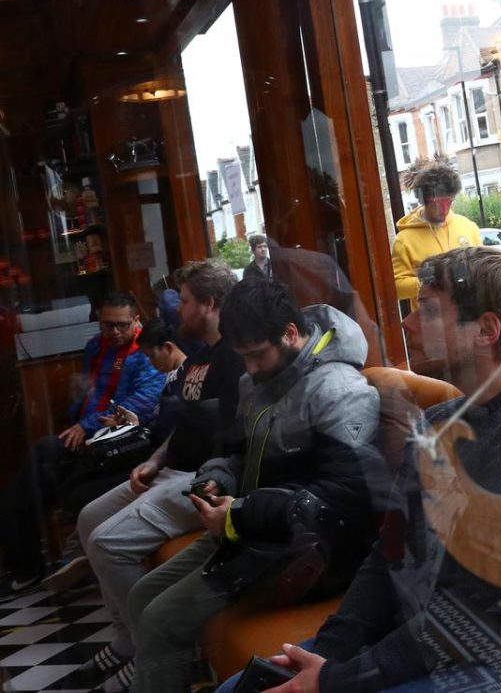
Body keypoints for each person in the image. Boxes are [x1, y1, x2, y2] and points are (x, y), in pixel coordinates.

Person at [215, 247, 501, 693]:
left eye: (427, 310)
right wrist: (331, 649)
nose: (408, 323)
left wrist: (333, 679)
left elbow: (469, 614)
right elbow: (390, 551)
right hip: (425, 638)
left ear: (486, 330)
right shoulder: (438, 420)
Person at [123, 278, 385, 693]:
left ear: (291, 333)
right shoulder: (256, 382)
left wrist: (240, 515)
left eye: (257, 355)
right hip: (253, 529)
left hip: (309, 552)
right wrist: (214, 481)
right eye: (242, 357)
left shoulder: (339, 391)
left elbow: (344, 500)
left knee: (158, 619)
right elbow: (233, 452)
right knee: (140, 597)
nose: (250, 369)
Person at [65, 260, 244, 693]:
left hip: (207, 481)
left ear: (210, 304)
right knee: (88, 516)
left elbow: (235, 444)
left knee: (108, 543)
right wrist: (156, 460)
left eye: (184, 301)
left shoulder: (235, 358)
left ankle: (154, 651)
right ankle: (127, 639)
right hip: (172, 469)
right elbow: (184, 423)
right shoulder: (198, 357)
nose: (177, 310)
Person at [0, 292, 166, 600]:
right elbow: (88, 391)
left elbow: (142, 403)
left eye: (121, 325)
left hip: (122, 443)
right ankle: (29, 564)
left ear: (136, 322)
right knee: (33, 478)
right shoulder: (95, 347)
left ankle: (61, 561)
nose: (114, 332)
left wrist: (84, 425)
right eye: (107, 325)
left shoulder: (146, 350)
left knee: (53, 465)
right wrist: (78, 416)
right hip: (87, 437)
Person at [390, 162, 481, 314]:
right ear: (423, 200)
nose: (444, 210)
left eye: (449, 202)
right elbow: (395, 288)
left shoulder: (468, 227)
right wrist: (431, 280)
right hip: (431, 327)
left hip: (470, 318)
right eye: (437, 204)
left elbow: (483, 271)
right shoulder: (404, 240)